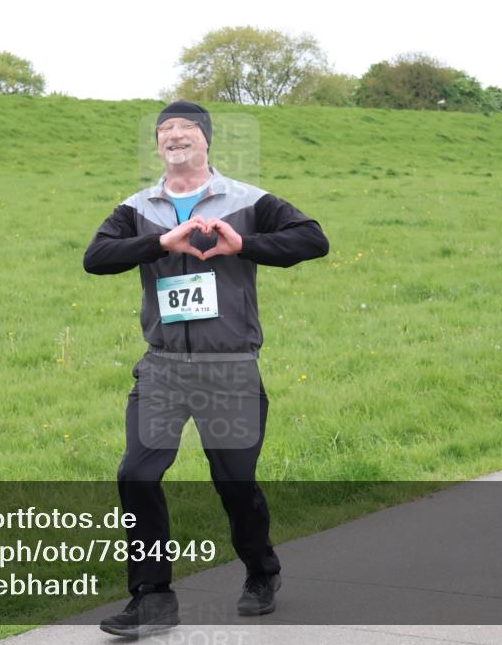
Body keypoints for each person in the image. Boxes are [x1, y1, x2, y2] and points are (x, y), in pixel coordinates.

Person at [83, 100, 329, 638]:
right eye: (165, 129)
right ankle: (152, 599)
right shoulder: (137, 207)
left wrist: (245, 245)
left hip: (230, 367)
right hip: (163, 368)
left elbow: (313, 239)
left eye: (186, 128)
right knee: (136, 474)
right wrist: (159, 242)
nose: (174, 135)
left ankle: (261, 572)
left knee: (234, 480)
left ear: (206, 139)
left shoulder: (247, 200)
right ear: (157, 144)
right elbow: (95, 257)